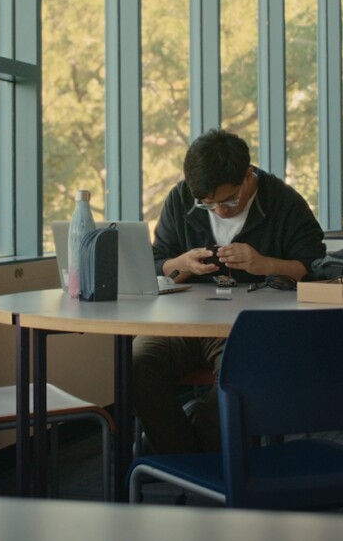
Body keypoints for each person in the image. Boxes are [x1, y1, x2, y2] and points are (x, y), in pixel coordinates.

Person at [133, 129, 326, 454]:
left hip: (250, 328)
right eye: (208, 205)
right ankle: (189, 460)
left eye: (229, 200)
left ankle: (204, 463)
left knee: (239, 373)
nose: (221, 210)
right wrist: (181, 264)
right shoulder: (181, 198)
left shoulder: (283, 201)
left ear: (248, 176)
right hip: (185, 323)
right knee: (135, 363)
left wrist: (265, 264)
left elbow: (315, 266)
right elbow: (155, 264)